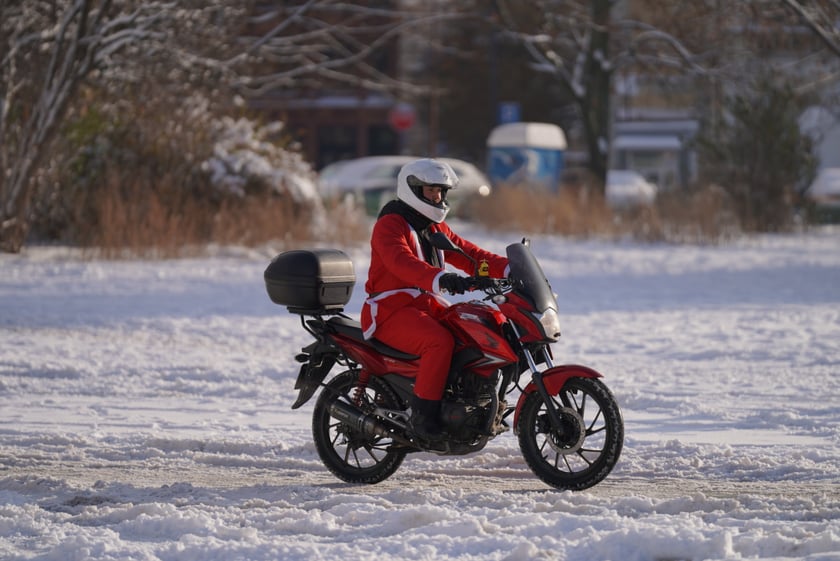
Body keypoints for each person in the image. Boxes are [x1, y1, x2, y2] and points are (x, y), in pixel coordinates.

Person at [360, 158, 509, 442]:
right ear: (412, 189)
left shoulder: (433, 228)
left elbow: (470, 255)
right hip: (390, 310)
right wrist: (441, 279)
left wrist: (511, 268)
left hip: (426, 306)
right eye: (430, 191)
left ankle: (469, 402)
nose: (437, 197)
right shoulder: (390, 225)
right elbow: (401, 262)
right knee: (438, 341)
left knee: (477, 326)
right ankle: (423, 418)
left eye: (441, 191)